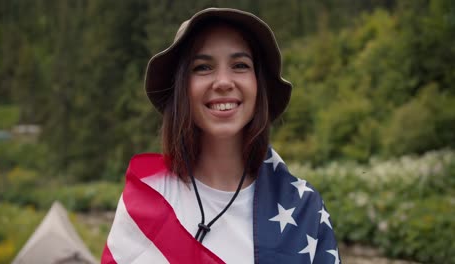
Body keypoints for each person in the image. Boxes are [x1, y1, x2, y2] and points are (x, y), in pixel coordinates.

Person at [102, 7, 340, 264]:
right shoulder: (146, 200)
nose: (223, 81)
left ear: (259, 86)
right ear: (182, 88)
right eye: (203, 67)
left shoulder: (304, 208)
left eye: (240, 65)